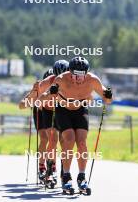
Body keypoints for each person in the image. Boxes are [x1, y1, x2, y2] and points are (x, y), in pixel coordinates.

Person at [42, 56, 113, 192]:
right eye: (76, 75)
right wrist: (51, 93)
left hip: (80, 109)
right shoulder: (61, 79)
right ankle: (66, 176)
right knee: (69, 139)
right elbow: (44, 97)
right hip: (63, 110)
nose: (79, 79)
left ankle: (81, 176)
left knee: (81, 142)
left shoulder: (92, 80)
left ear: (86, 73)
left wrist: (108, 96)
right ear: (70, 72)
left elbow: (108, 100)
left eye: (82, 75)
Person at [19, 68, 54, 183]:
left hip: (53, 112)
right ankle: (42, 167)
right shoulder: (39, 87)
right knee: (44, 138)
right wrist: (33, 95)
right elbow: (22, 105)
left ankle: (53, 167)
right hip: (39, 111)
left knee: (54, 139)